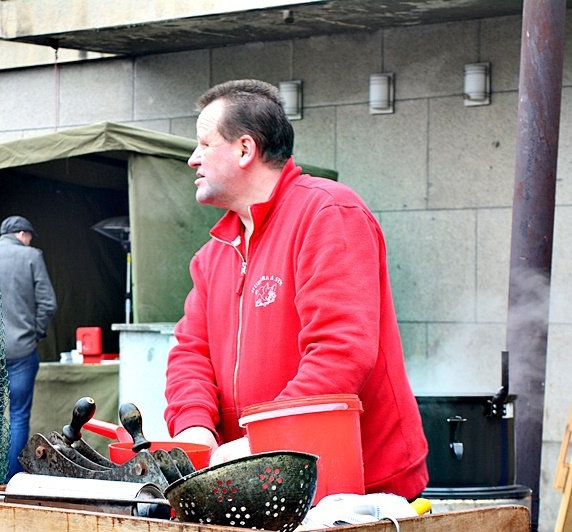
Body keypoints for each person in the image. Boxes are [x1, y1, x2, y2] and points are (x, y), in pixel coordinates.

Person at [164, 80, 429, 499]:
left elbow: (340, 353)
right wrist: (196, 428)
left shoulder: (328, 213)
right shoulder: (212, 254)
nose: (193, 159)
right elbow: (190, 353)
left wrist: (261, 445)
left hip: (359, 490)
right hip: (260, 485)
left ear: (245, 149)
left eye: (203, 144)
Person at [0, 215, 57, 479]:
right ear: (21, 234)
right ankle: (13, 478)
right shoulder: (31, 257)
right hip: (22, 349)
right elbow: (48, 303)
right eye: (29, 236)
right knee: (18, 416)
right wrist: (36, 333)